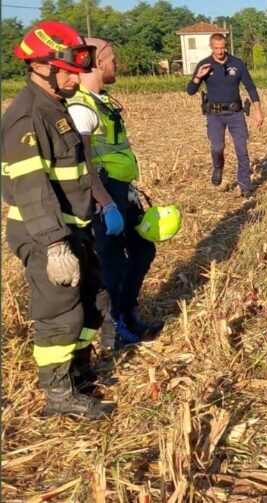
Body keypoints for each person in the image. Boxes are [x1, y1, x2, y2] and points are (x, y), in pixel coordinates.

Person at [2, 21, 114, 419]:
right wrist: (53, 244)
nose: (77, 74)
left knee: (93, 300)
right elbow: (32, 188)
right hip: (45, 234)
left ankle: (80, 371)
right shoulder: (27, 118)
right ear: (41, 67)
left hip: (74, 227)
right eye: (68, 67)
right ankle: (58, 395)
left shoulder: (57, 109)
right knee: (60, 313)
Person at [66, 37, 163, 349]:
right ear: (95, 63)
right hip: (104, 195)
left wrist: (130, 193)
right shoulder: (81, 108)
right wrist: (104, 202)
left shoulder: (101, 101)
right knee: (110, 262)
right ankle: (114, 329)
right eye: (112, 58)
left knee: (143, 251)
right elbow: (82, 160)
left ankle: (127, 313)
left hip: (122, 190)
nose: (116, 64)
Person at [186, 33, 263, 197]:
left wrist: (258, 111)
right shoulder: (204, 64)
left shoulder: (237, 64)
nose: (220, 52)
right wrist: (198, 77)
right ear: (211, 47)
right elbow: (190, 91)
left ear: (226, 46)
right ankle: (218, 166)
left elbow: (251, 87)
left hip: (236, 113)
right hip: (215, 114)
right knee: (217, 147)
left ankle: (245, 185)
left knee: (241, 149)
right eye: (216, 48)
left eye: (222, 48)